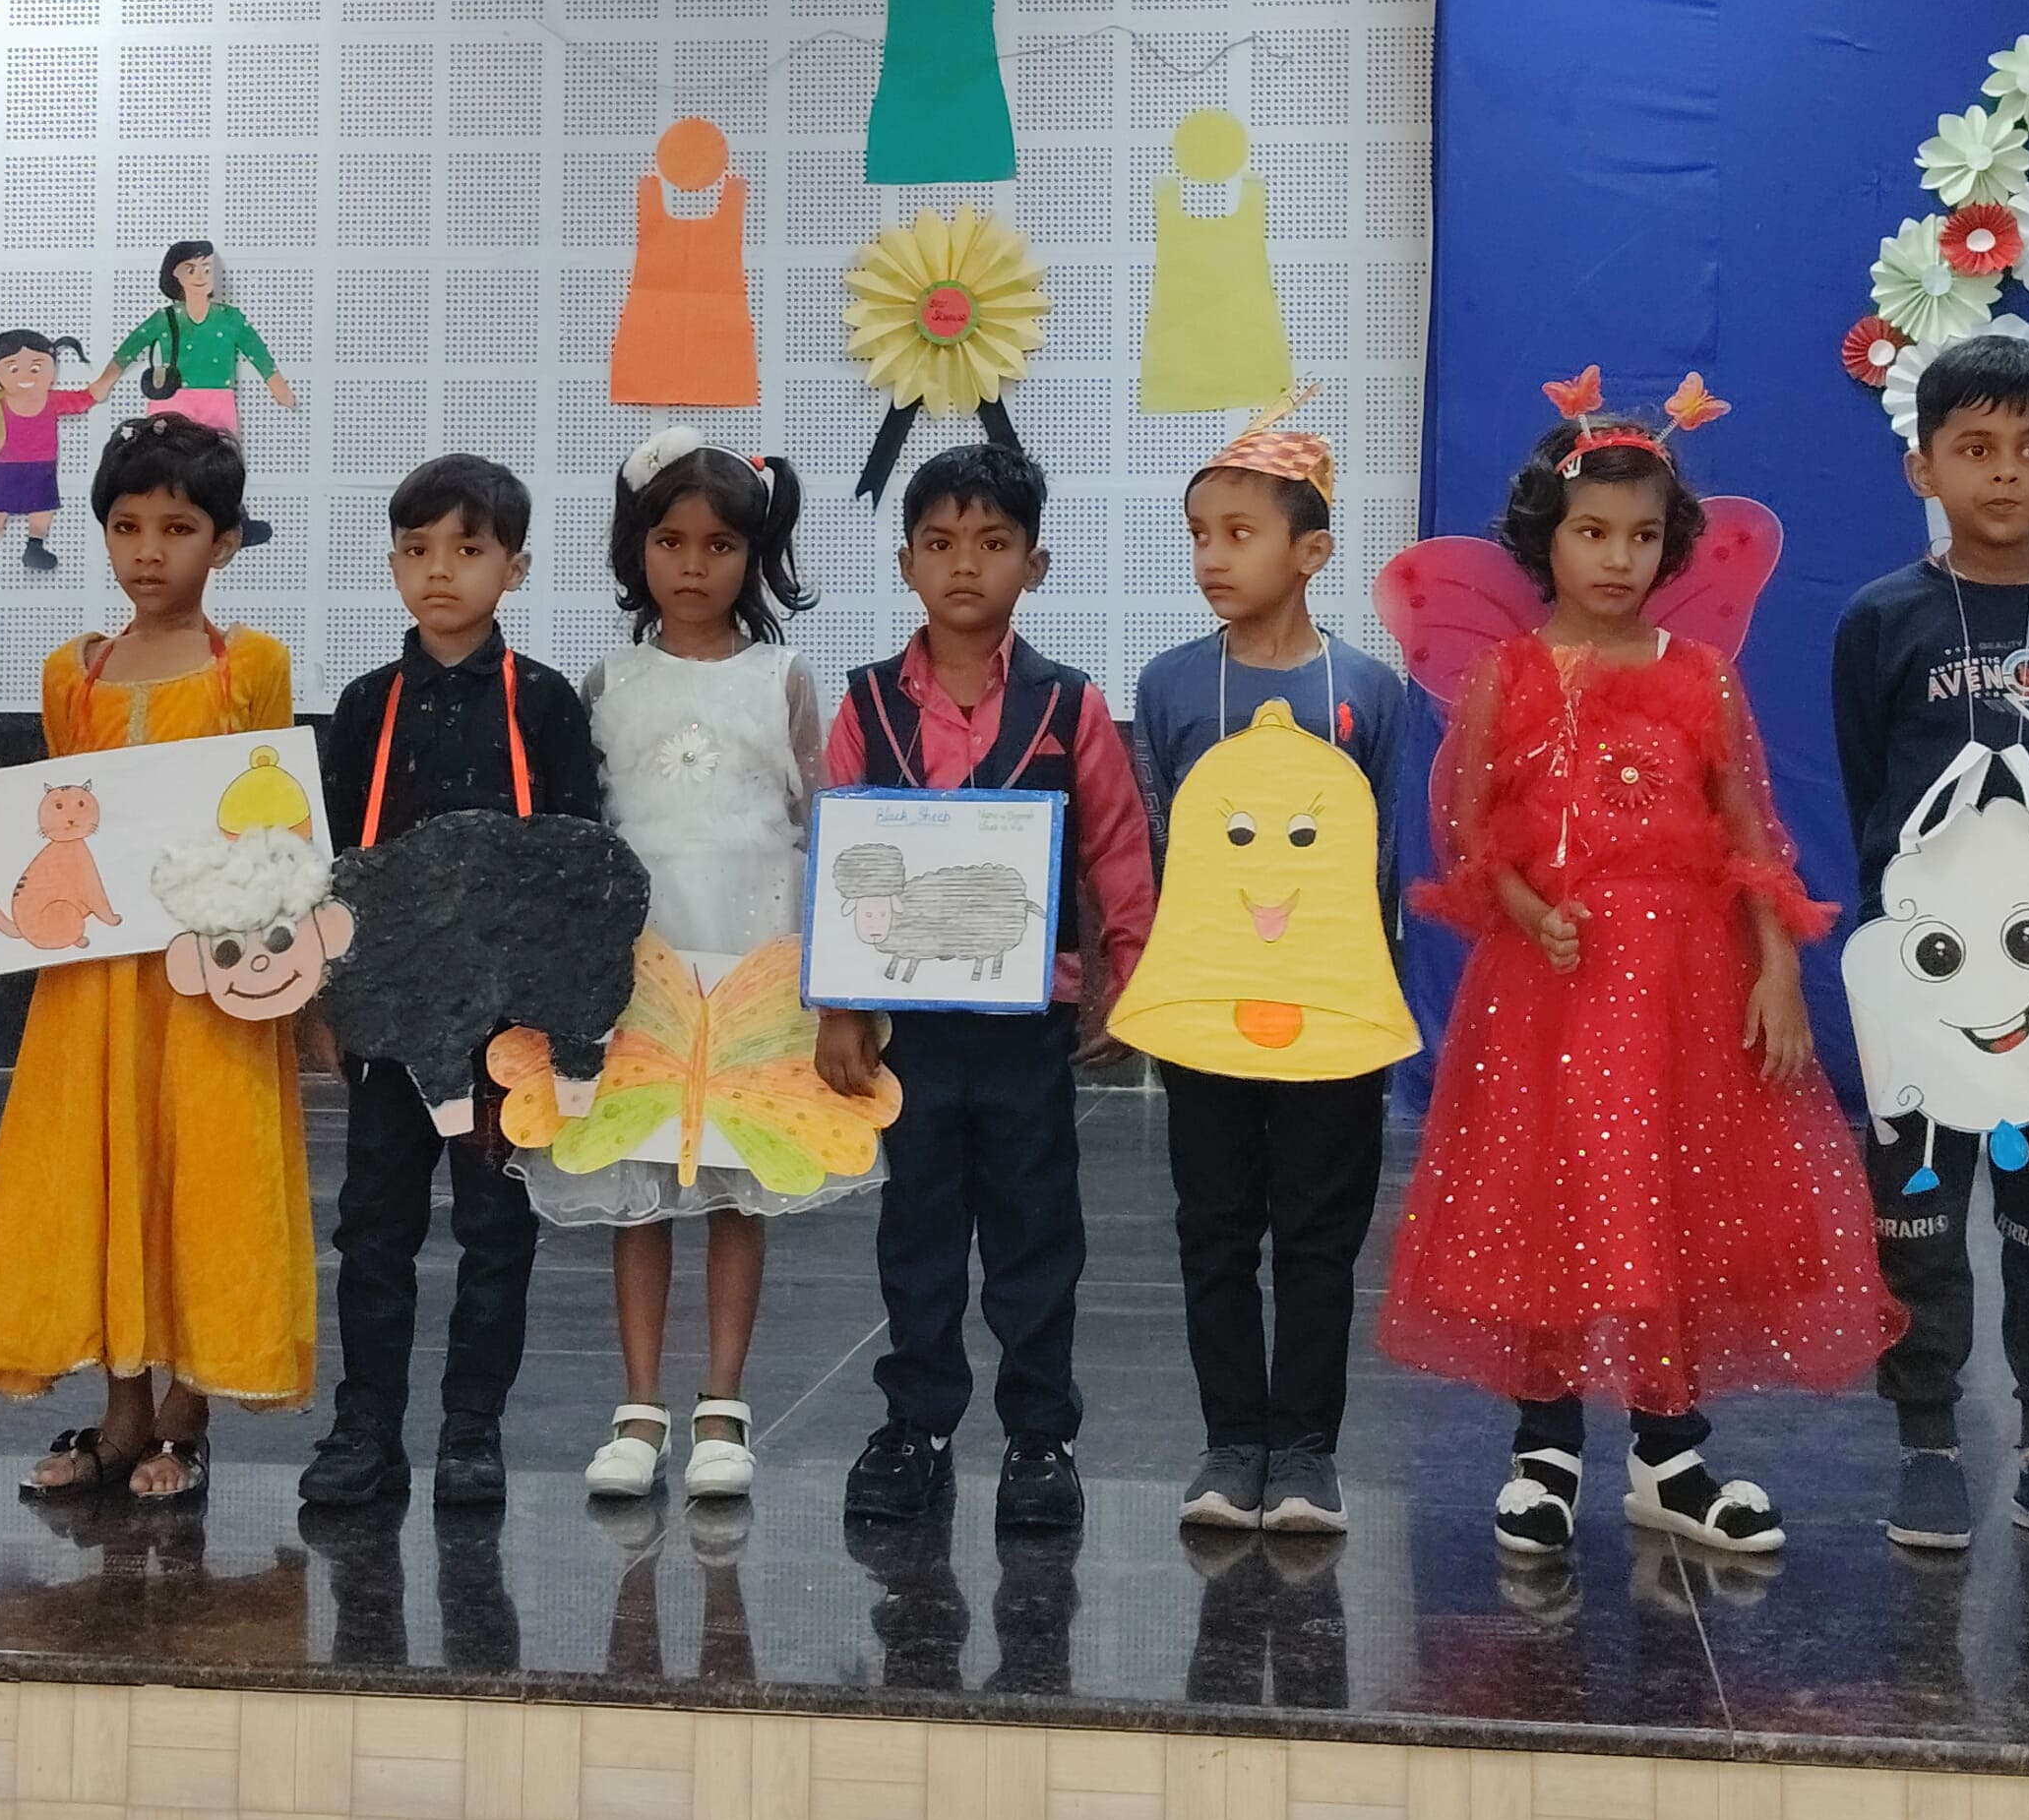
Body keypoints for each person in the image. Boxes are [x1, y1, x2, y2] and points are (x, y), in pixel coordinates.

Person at [1382, 389, 1896, 1562]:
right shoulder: (1509, 676)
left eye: (1643, 535)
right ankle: (1544, 1449)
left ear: (1672, 545)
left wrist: (1776, 969)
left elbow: (1751, 836)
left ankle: (1670, 1453)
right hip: (1548, 995)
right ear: (1545, 539)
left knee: (1674, 1200)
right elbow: (1472, 839)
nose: (1618, 558)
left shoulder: (1701, 677)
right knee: (1547, 1200)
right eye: (1592, 532)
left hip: (1681, 990)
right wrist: (1529, 910)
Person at [1829, 332, 2029, 1561]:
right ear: (1924, 469)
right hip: (1923, 985)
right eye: (1973, 449)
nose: (2003, 472)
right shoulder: (1881, 620)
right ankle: (1926, 1443)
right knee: (1915, 1214)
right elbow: (1871, 781)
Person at [0, 415, 315, 1499]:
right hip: (98, 978)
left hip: (211, 974)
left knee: (202, 1166)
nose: (149, 551)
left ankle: (184, 1415)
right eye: (125, 526)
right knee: (104, 1164)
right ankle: (120, 1411)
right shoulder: (71, 672)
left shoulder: (250, 664)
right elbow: (63, 815)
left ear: (225, 542)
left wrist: (286, 964)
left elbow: (276, 817)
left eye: (177, 527)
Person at [526, 431, 878, 1502]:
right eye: (670, 541)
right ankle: (638, 1406)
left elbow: (823, 821)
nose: (692, 565)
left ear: (754, 555)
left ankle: (723, 1403)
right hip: (641, 975)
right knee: (636, 1192)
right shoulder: (608, 680)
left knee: (737, 1188)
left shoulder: (783, 678)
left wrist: (832, 986)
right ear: (637, 548)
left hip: (753, 966)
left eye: (720, 545)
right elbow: (584, 836)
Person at [823, 442, 1155, 1535]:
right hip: (910, 1025)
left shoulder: (1071, 705)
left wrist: (1127, 980)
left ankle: (1039, 1436)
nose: (965, 564)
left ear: (1034, 564)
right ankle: (915, 1424)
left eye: (993, 543)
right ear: (907, 564)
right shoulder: (867, 706)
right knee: (916, 1226)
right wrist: (839, 1007)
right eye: (939, 543)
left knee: (1034, 1229)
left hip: (1027, 1020)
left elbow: (1117, 849)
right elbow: (837, 863)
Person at [1119, 405, 1408, 1538]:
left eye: (1238, 534)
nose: (1211, 558)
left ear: (1311, 550)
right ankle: (1231, 1438)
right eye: (1199, 534)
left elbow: (1384, 858)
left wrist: (1373, 993)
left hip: (1332, 1008)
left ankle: (1305, 1452)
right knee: (1215, 1224)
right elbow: (1159, 844)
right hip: (1210, 1007)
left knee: (1321, 1231)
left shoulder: (1368, 692)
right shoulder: (1169, 687)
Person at [302, 453, 605, 1513]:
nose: (440, 571)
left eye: (468, 550)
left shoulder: (545, 703)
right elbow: (332, 866)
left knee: (495, 1226)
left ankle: (474, 1430)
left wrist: (560, 1015)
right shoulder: (364, 705)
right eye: (417, 550)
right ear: (393, 563)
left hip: (503, 1023)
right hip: (387, 1016)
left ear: (514, 568)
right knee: (373, 1225)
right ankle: (365, 1427)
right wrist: (326, 1001)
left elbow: (577, 860)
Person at [97, 239, 295, 444]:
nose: (201, 276)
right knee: (166, 455)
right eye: (191, 270)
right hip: (173, 400)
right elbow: (130, 348)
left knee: (217, 456)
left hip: (218, 401)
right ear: (175, 274)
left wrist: (278, 386)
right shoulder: (164, 318)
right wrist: (104, 383)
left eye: (207, 269)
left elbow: (256, 351)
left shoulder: (230, 318)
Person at [0, 328, 98, 576]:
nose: (27, 376)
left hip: (42, 464)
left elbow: (84, 399)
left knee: (42, 507)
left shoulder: (51, 400)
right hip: (3, 465)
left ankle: (35, 547)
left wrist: (109, 377)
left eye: (37, 367)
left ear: (51, 367)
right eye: (13, 369)